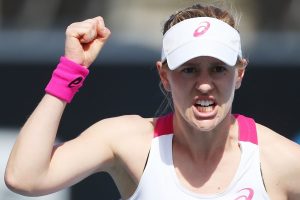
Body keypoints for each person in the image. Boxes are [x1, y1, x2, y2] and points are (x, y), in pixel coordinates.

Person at [4, 3, 300, 200]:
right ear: (165, 76)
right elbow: (24, 177)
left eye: (218, 68)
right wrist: (71, 69)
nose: (205, 83)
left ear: (239, 74)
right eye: (189, 69)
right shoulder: (128, 141)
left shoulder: (280, 160)